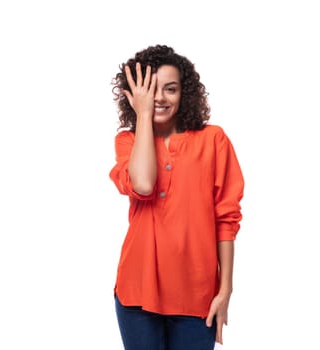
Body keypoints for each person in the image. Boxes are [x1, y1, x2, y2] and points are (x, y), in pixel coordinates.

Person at [109, 44, 244, 350]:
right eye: (150, 89)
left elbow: (226, 218)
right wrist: (143, 115)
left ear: (185, 94)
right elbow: (143, 184)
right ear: (134, 93)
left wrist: (225, 290)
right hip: (138, 293)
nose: (159, 98)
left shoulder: (213, 140)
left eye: (170, 89)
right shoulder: (128, 142)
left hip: (197, 296)